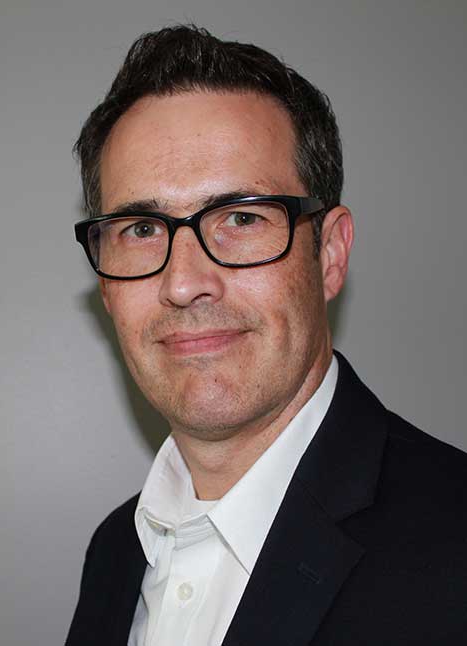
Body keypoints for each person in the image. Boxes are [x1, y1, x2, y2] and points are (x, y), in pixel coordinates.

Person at [65, 25, 467, 646]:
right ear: (106, 286)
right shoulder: (114, 552)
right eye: (142, 229)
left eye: (242, 217)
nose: (184, 283)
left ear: (329, 254)